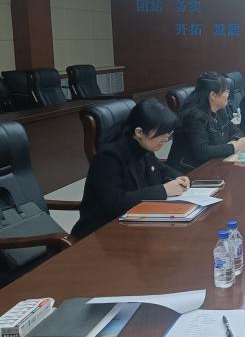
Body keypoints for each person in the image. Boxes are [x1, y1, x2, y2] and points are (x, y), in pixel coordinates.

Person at [73, 99, 189, 239]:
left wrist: (177, 176)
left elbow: (158, 167)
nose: (166, 139)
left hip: (137, 221)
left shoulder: (142, 146)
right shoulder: (109, 157)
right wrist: (163, 190)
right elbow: (114, 202)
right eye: (162, 134)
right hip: (103, 231)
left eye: (168, 134)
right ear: (139, 132)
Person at [167, 71, 245, 172]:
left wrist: (233, 141)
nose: (228, 95)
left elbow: (236, 131)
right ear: (213, 95)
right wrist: (234, 146)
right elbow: (202, 152)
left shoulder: (220, 110)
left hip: (214, 165)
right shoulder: (193, 117)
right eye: (226, 91)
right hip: (189, 172)